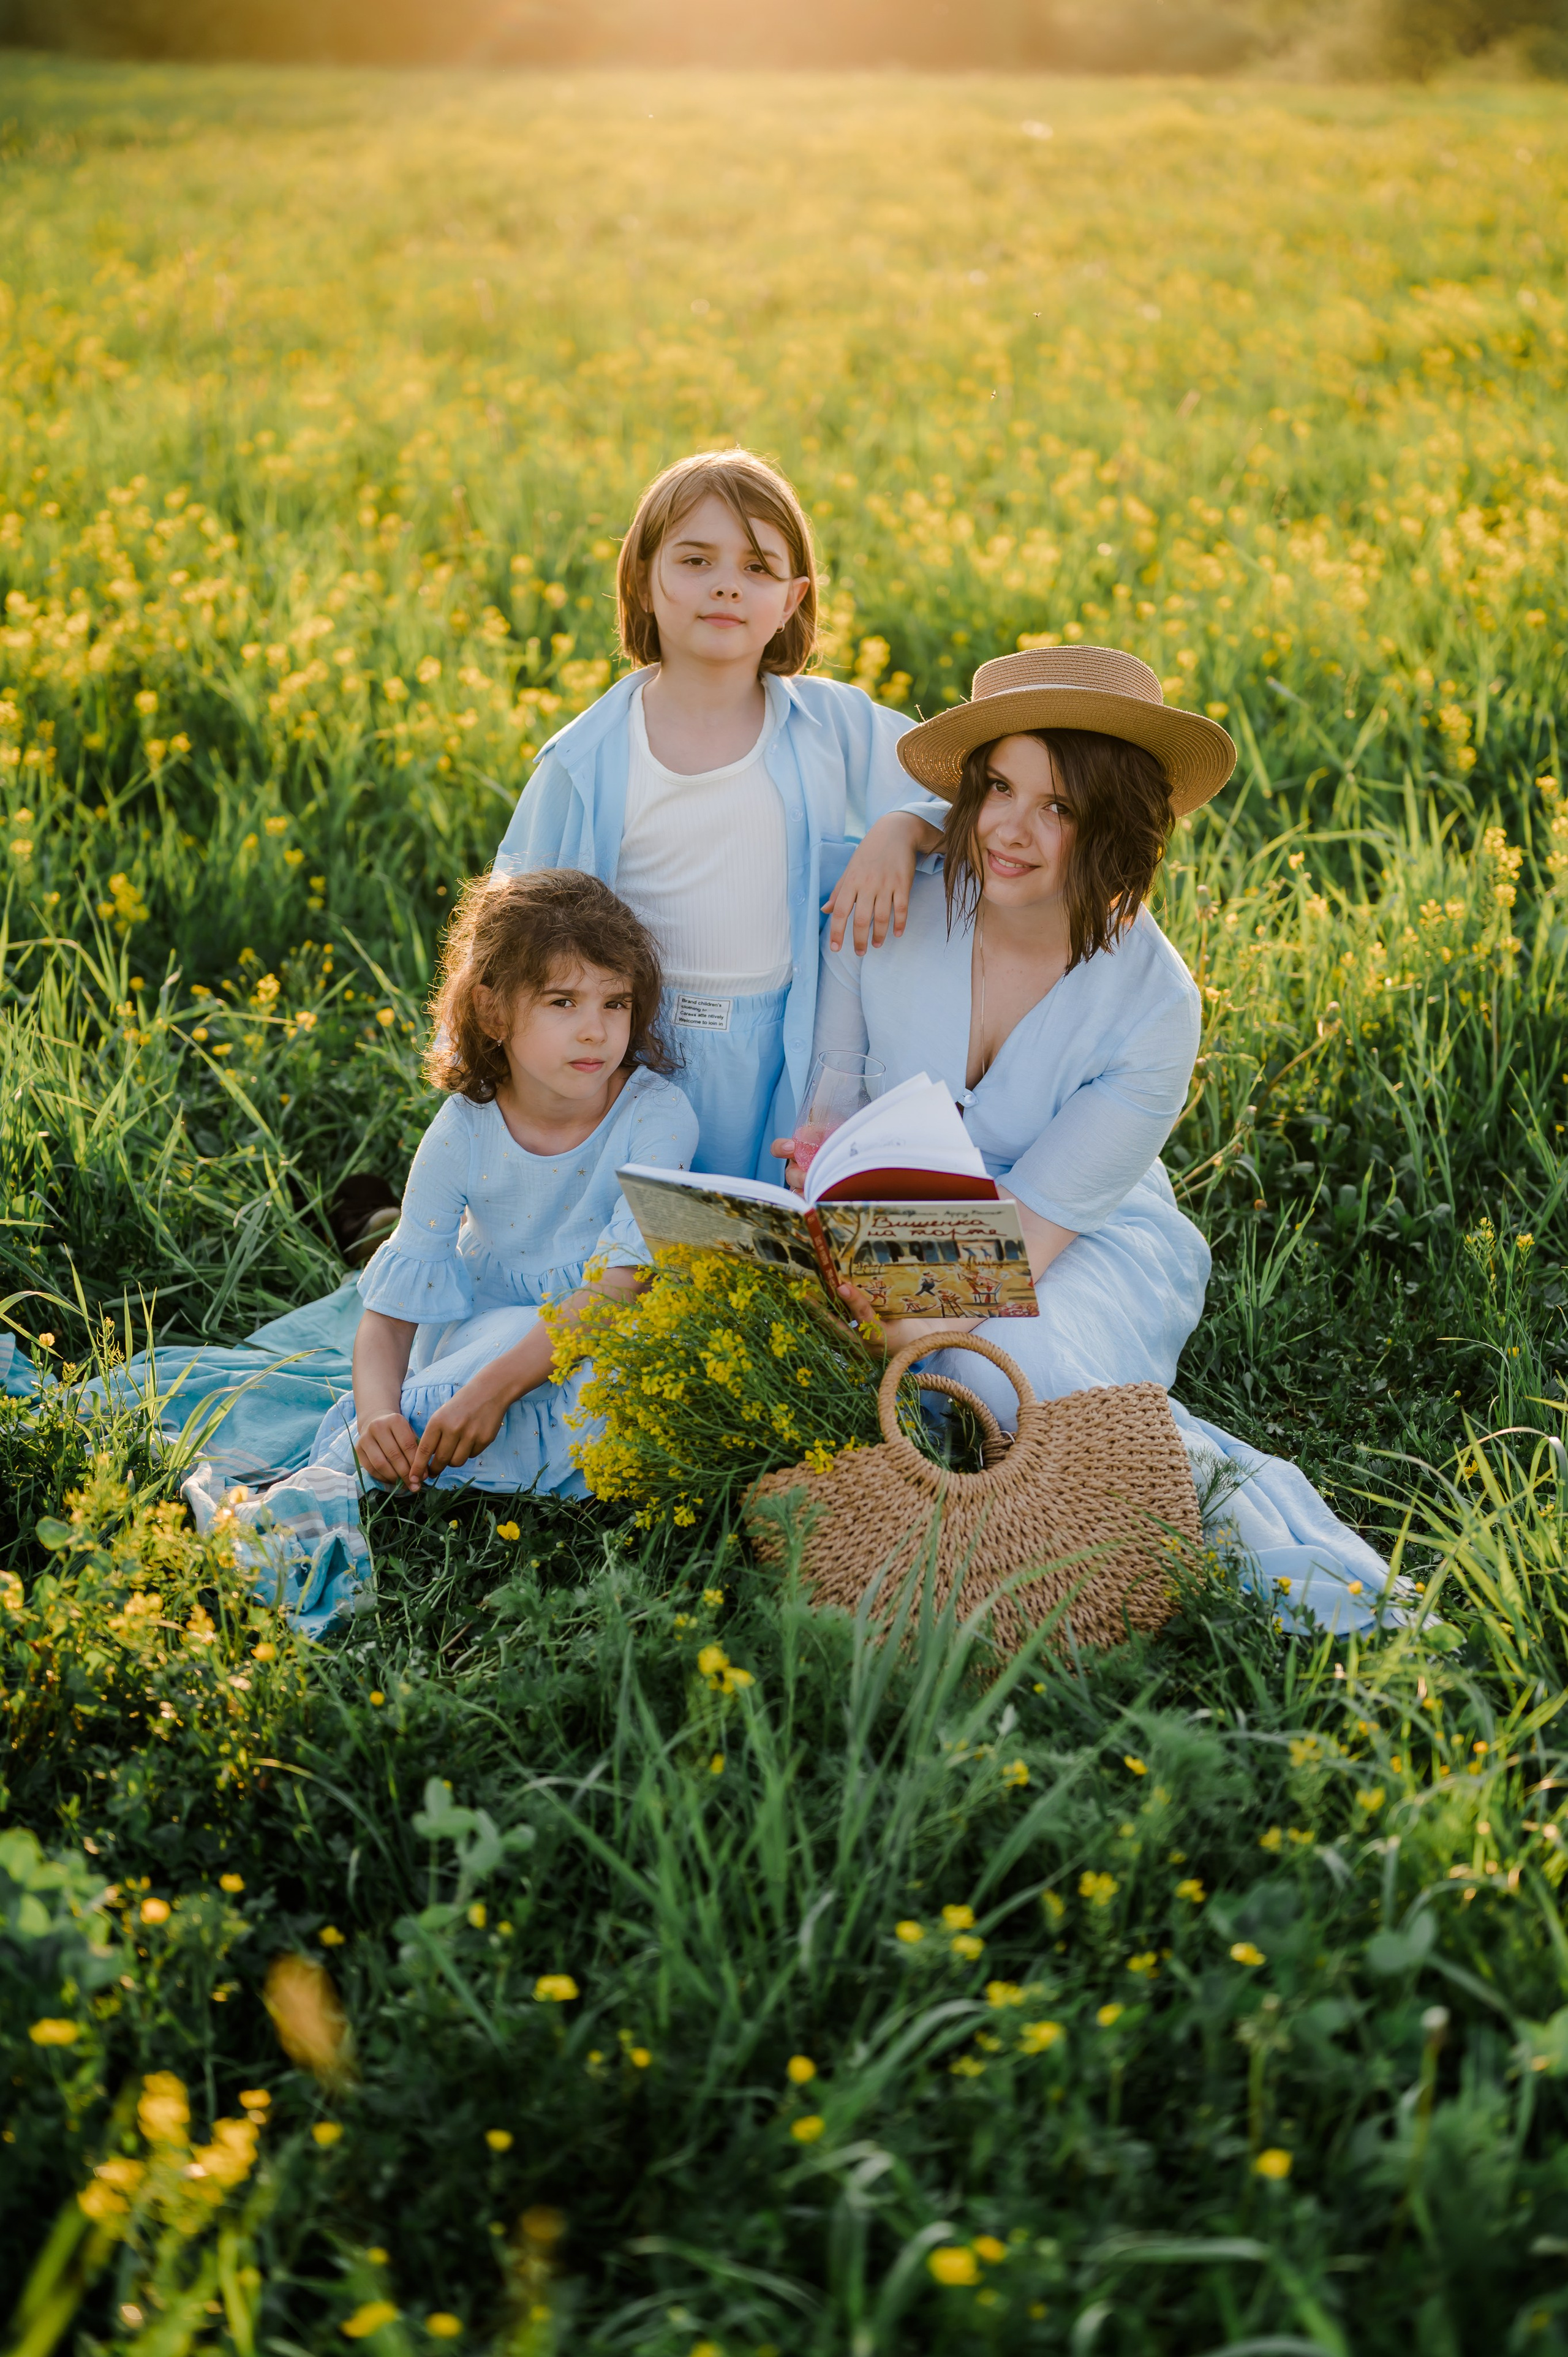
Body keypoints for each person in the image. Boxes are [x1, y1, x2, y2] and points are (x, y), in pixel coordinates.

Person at [783, 643, 1389, 1624]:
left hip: (1076, 1233)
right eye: (999, 791)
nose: (1010, 832)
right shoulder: (892, 904)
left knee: (1002, 1377)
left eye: (1058, 808)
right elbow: (829, 1108)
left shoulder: (1155, 1006)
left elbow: (1024, 1240)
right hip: (896, 1210)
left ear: (1116, 828)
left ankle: (1204, 1509)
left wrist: (898, 1324)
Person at [494, 447, 948, 1181]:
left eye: (757, 568)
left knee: (759, 1239)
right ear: (643, 578)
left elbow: (966, 787)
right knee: (623, 1241)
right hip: (630, 1044)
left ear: (792, 599)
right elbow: (512, 926)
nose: (727, 587)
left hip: (781, 1046)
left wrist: (904, 826)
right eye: (696, 560)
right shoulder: (586, 759)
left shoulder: (834, 727)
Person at [309, 868, 696, 1497]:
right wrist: (378, 1413)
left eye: (615, 1003)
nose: (596, 1029)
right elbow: (390, 1317)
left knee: (629, 1392)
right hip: (489, 1320)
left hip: (600, 1319)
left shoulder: (657, 1115)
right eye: (562, 1001)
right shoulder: (465, 1130)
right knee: (442, 1381)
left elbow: (619, 1288)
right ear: (492, 1010)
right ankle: (370, 1232)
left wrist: (491, 1389)